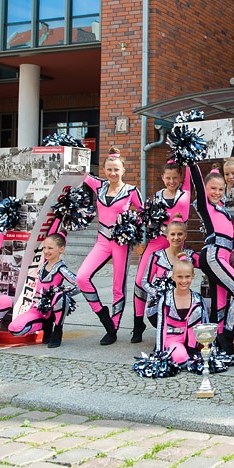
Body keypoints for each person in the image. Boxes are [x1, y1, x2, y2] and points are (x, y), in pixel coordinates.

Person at [76, 147, 143, 345]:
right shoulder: (99, 186)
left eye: (116, 169)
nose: (113, 173)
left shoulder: (131, 191)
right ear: (104, 170)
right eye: (109, 170)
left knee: (118, 288)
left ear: (123, 170)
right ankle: (103, 317)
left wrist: (132, 227)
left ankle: (113, 328)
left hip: (121, 243)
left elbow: (144, 214)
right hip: (102, 241)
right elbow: (79, 170)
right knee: (82, 277)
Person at [191, 163, 234, 356]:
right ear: (205, 190)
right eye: (212, 189)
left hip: (221, 256)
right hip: (213, 255)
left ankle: (218, 344)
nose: (216, 192)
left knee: (221, 302)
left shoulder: (222, 207)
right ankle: (227, 335)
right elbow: (198, 183)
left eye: (220, 189)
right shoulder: (205, 206)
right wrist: (192, 162)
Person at [131, 160, 192, 343]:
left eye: (175, 178)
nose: (172, 181)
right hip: (158, 241)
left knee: (177, 281)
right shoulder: (156, 196)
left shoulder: (186, 192)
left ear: (181, 178)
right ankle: (137, 324)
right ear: (162, 178)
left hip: (177, 242)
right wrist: (142, 242)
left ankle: (177, 318)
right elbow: (145, 220)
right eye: (168, 178)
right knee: (139, 281)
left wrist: (187, 157)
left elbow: (190, 166)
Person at [7, 232, 77, 348]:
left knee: (60, 297)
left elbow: (80, 285)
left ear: (61, 249)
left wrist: (63, 294)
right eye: (44, 247)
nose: (46, 251)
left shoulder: (61, 268)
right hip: (38, 308)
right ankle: (45, 325)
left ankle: (58, 329)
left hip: (54, 307)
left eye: (50, 248)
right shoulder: (44, 264)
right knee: (14, 328)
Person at [155, 253, 208, 366]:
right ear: (173, 277)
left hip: (193, 339)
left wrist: (209, 346)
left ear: (193, 276)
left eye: (187, 277)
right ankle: (184, 352)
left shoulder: (197, 298)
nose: (184, 281)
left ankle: (192, 349)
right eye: (180, 277)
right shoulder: (166, 299)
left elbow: (205, 323)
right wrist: (159, 351)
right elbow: (161, 326)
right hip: (173, 338)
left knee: (197, 309)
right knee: (181, 357)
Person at [139, 216, 189, 331]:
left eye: (180, 234)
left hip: (182, 304)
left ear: (185, 236)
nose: (176, 238)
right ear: (167, 236)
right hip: (159, 306)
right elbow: (144, 282)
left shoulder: (190, 256)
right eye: (172, 234)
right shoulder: (156, 256)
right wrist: (158, 292)